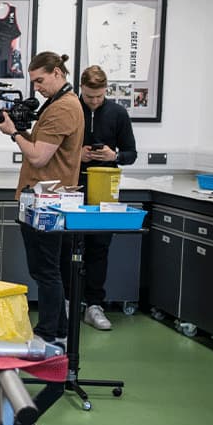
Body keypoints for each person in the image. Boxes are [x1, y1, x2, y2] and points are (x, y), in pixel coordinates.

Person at [0, 51, 83, 345]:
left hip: (48, 201)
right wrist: (21, 131)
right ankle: (59, 329)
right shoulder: (57, 104)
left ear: (58, 72)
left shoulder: (62, 108)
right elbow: (41, 146)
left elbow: (39, 156)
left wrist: (13, 133)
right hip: (42, 198)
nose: (37, 88)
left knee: (46, 270)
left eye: (41, 80)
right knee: (45, 269)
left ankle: (47, 333)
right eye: (33, 82)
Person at [59, 65, 138, 331]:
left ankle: (94, 305)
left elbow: (131, 153)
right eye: (90, 96)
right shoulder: (70, 108)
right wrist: (76, 155)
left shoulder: (118, 113)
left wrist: (114, 156)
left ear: (106, 90)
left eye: (99, 96)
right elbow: (54, 151)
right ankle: (68, 301)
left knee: (99, 247)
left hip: (106, 187)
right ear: (81, 88)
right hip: (73, 186)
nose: (94, 101)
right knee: (68, 246)